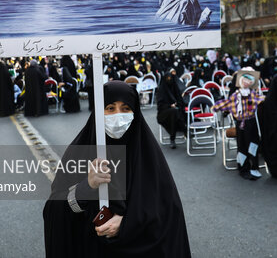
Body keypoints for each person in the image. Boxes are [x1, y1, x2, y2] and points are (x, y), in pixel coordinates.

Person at [43, 81, 191, 257]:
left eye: (126, 108)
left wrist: (127, 224)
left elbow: (168, 213)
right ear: (99, 111)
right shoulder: (81, 150)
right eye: (110, 108)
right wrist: (86, 187)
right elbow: (54, 211)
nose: (118, 116)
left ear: (135, 112)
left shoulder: (148, 155)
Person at [212, 71, 265, 180]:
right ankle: (244, 168)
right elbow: (228, 103)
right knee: (242, 146)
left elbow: (261, 100)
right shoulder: (236, 94)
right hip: (241, 123)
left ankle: (254, 168)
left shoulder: (252, 93)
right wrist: (216, 107)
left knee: (253, 145)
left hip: (252, 122)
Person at [156, 70, 187, 149]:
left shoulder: (175, 87)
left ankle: (172, 139)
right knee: (174, 112)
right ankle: (185, 130)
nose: (169, 80)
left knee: (174, 113)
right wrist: (170, 105)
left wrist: (176, 104)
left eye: (170, 78)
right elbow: (160, 105)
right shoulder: (161, 90)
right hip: (163, 113)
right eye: (168, 78)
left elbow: (180, 100)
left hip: (175, 112)